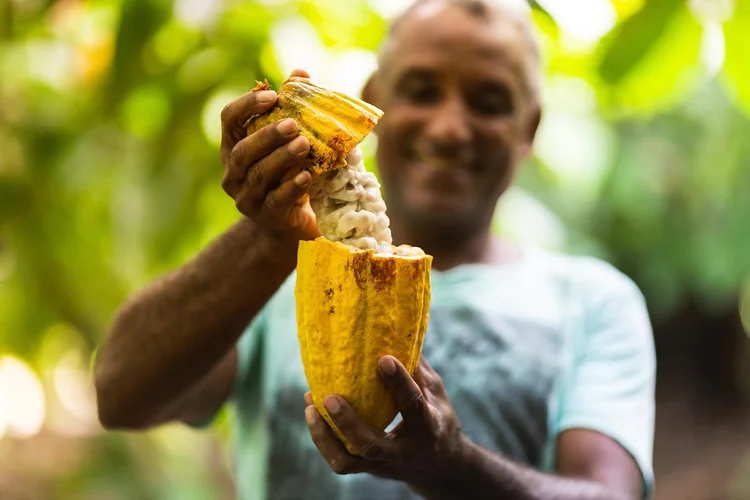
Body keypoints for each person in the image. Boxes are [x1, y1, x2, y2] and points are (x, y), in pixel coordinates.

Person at [93, 1, 656, 499]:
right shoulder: (271, 274)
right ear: (372, 101)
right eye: (421, 90)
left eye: (488, 102)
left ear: (527, 127)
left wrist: (453, 467)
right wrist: (268, 240)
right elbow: (120, 394)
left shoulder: (593, 301)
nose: (449, 128)